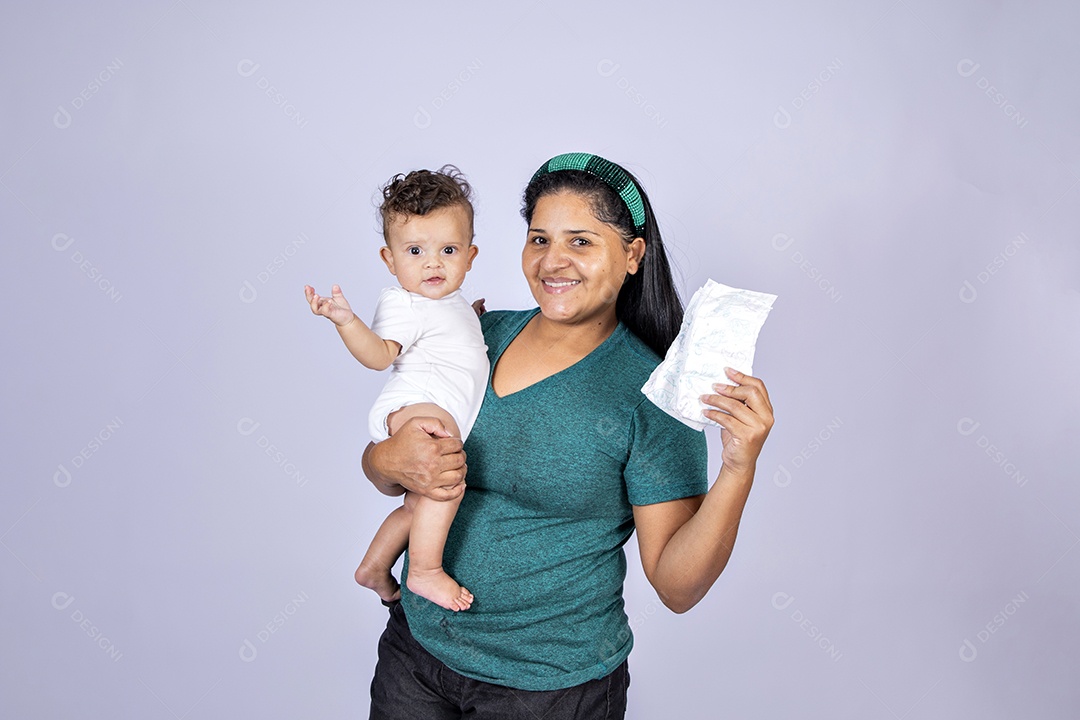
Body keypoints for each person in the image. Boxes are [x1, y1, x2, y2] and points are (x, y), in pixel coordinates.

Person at [361, 153, 775, 719]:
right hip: (416, 655)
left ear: (632, 254)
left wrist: (738, 468)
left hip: (548, 689)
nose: (553, 261)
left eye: (581, 241)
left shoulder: (651, 398)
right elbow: (388, 476)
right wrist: (388, 456)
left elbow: (677, 588)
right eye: (539, 239)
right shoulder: (478, 335)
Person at [304, 166, 488, 612]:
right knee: (446, 479)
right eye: (415, 250)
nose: (432, 263)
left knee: (415, 507)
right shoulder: (404, 302)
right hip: (418, 409)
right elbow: (381, 355)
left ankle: (373, 567)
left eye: (448, 250)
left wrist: (473, 322)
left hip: (424, 406)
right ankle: (424, 571)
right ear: (390, 260)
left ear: (470, 255)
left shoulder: (449, 303)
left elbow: (447, 342)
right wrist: (348, 323)